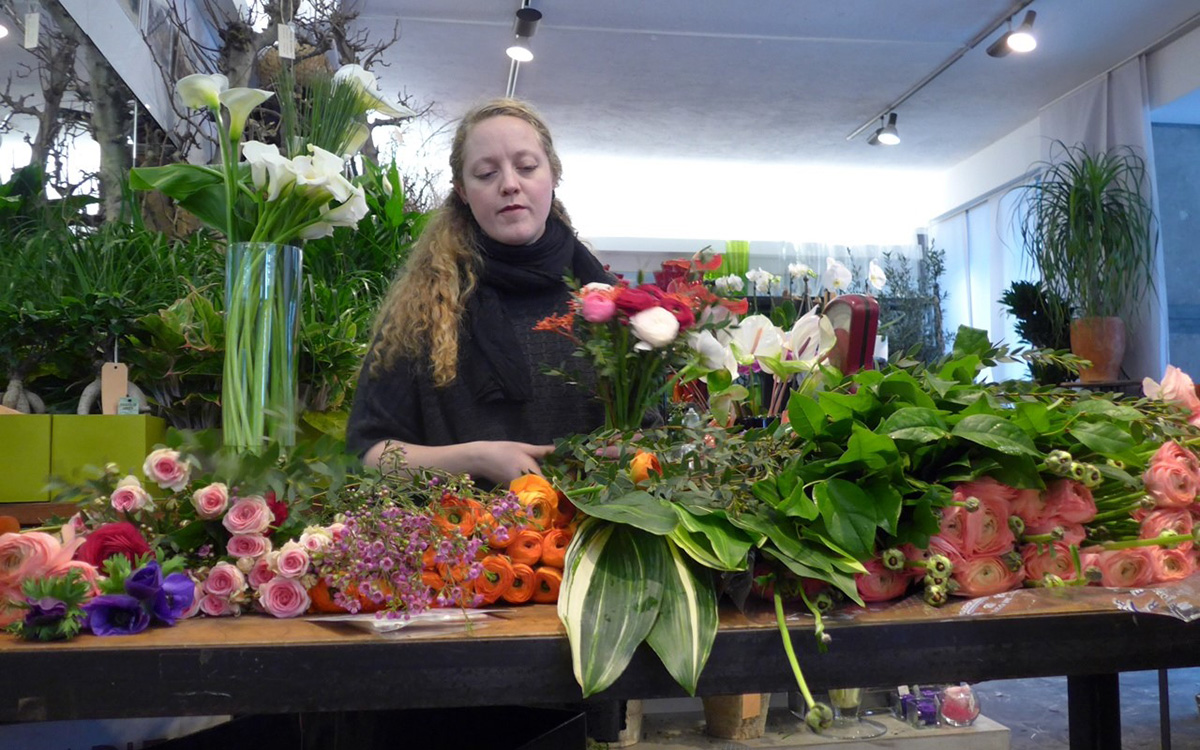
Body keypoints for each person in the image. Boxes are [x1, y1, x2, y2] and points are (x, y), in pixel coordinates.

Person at [346, 98, 612, 486]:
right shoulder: (423, 308)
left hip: (599, 538)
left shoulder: (608, 302)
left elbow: (656, 432)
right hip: (465, 538)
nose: (509, 184)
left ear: (552, 175)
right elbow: (366, 454)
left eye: (526, 167)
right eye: (486, 173)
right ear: (463, 192)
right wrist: (477, 458)